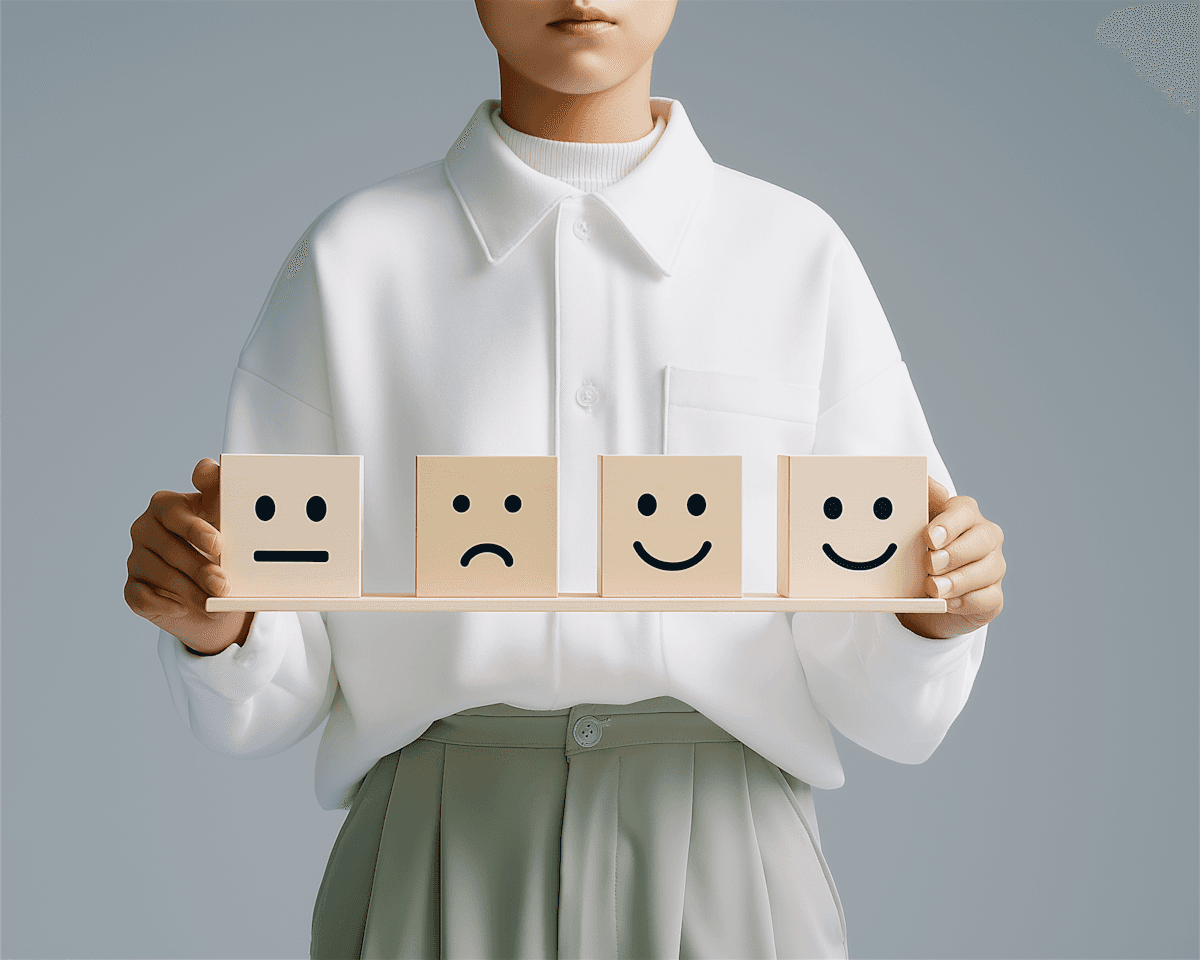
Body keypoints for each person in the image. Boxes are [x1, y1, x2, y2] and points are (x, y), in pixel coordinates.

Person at [125, 2, 1005, 957]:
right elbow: (273, 692)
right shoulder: (354, 261)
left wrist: (931, 616)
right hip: (433, 863)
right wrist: (224, 624)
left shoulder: (797, 258)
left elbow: (895, 708)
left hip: (732, 869)